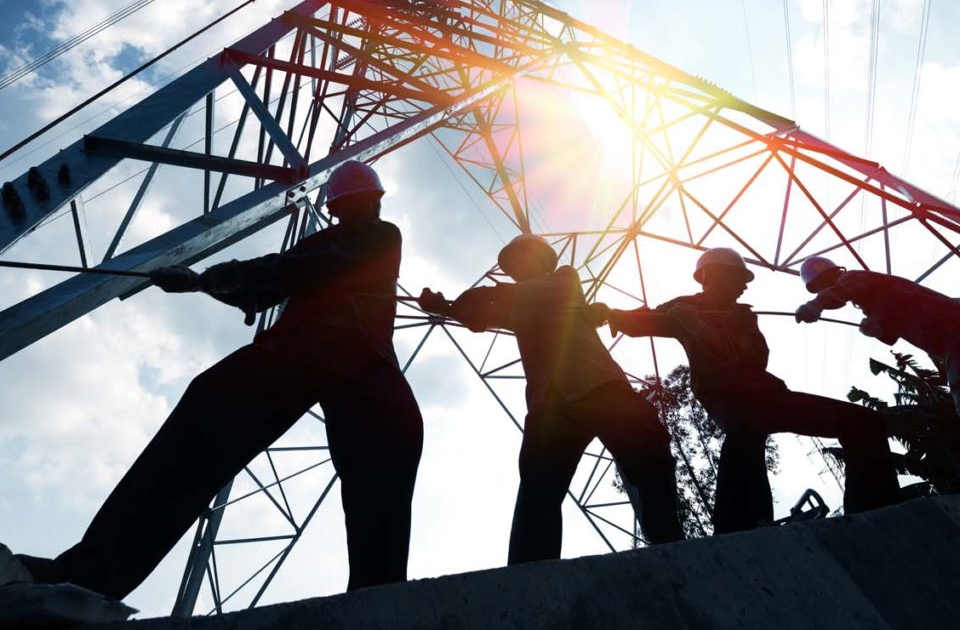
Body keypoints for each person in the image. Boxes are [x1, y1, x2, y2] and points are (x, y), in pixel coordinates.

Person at [15, 160, 423, 599]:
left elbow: (299, 269)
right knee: (212, 406)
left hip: (344, 361)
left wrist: (215, 277)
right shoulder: (331, 244)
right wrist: (202, 283)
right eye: (362, 203)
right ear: (350, 206)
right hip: (336, 361)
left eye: (367, 204)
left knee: (377, 467)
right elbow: (273, 281)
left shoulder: (380, 238)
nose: (369, 210)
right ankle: (88, 575)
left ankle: (379, 600)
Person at [419, 234, 683, 563]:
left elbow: (510, 298)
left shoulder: (565, 280)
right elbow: (481, 317)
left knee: (650, 452)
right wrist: (444, 307)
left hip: (600, 388)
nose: (515, 269)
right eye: (512, 266)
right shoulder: (518, 302)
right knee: (538, 491)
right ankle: (529, 573)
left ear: (544, 260)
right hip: (553, 405)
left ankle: (673, 547)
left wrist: (483, 296)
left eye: (519, 261)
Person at [597, 247, 901, 533]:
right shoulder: (682, 308)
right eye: (738, 278)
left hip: (766, 394)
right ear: (710, 276)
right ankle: (739, 526)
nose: (744, 286)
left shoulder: (741, 316)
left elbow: (755, 358)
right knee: (745, 430)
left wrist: (699, 328)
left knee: (865, 423)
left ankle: (875, 512)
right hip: (728, 396)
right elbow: (641, 322)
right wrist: (609, 313)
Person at [795, 256, 960, 418]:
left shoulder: (853, 277)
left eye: (820, 288)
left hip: (952, 329)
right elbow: (893, 332)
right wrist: (877, 329)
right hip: (948, 338)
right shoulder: (874, 301)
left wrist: (815, 305)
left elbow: (841, 290)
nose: (822, 292)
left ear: (825, 278)